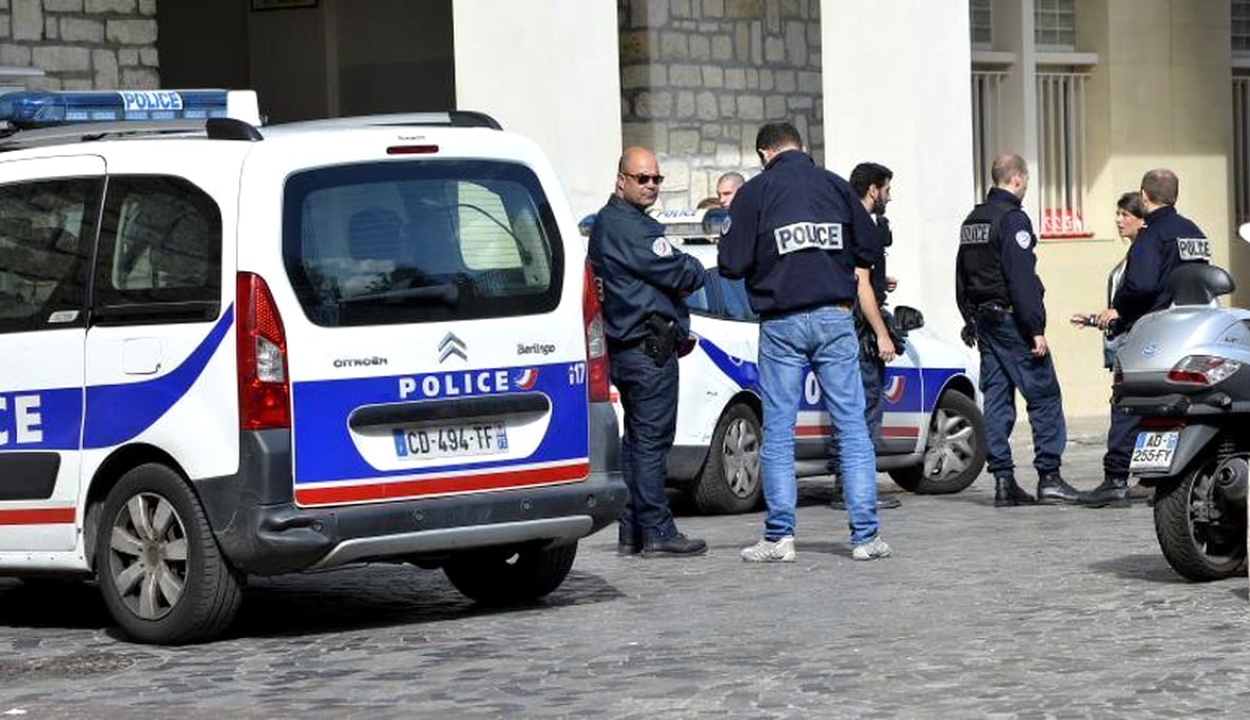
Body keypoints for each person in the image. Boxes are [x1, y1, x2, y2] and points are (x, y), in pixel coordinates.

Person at [719, 122, 891, 563]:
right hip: (835, 317)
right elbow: (871, 248)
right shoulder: (835, 186)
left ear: (763, 154)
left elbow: (731, 263)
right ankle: (865, 537)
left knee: (778, 431)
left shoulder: (755, 192)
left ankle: (780, 537)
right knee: (852, 427)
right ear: (801, 146)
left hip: (781, 321)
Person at [588, 146, 708, 557]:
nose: (652, 185)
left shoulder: (614, 222)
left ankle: (633, 529)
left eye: (656, 179)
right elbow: (680, 270)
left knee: (638, 441)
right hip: (645, 347)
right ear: (621, 180)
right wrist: (691, 264)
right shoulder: (631, 227)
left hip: (629, 345)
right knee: (652, 441)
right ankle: (657, 529)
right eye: (643, 178)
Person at [955, 153, 1081, 507]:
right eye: (1026, 180)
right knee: (1043, 396)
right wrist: (1034, 328)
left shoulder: (973, 220)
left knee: (996, 399)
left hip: (984, 321)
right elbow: (1021, 279)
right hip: (1012, 322)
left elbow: (961, 275)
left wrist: (969, 317)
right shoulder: (1013, 220)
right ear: (1018, 178)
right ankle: (1050, 477)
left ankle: (1003, 481)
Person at [1078, 170, 1210, 507]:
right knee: (1173, 405)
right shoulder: (1194, 232)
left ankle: (1116, 478)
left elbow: (1142, 284)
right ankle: (1157, 477)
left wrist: (1118, 309)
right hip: (1193, 331)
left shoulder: (1153, 234)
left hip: (1154, 329)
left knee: (1129, 399)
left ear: (1145, 196)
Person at [827, 162, 902, 511]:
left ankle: (847, 484)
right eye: (886, 189)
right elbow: (859, 284)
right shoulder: (862, 225)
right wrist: (882, 333)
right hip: (858, 331)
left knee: (849, 408)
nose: (888, 196)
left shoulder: (840, 219)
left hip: (841, 325)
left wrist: (878, 282)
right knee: (865, 408)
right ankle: (856, 489)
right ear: (873, 189)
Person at [1070, 192, 1151, 507]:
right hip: (1124, 344)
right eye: (1117, 214)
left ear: (1142, 219)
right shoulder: (1131, 259)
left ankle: (1118, 477)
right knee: (1135, 410)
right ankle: (1143, 478)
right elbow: (1121, 309)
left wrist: (1114, 315)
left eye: (1125, 215)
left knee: (1126, 408)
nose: (1118, 220)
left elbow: (1136, 304)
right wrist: (1094, 319)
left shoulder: (1144, 257)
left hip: (1136, 347)